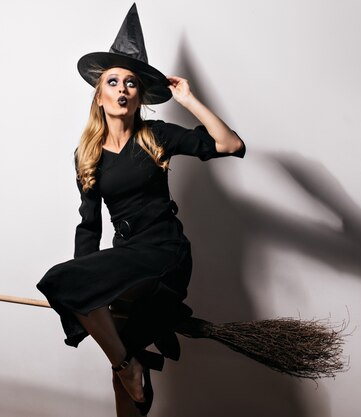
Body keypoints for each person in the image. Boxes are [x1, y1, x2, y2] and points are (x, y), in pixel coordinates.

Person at [36, 4, 244, 416]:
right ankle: (129, 367)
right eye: (113, 81)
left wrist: (188, 99)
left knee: (120, 354)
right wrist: (87, 290)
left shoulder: (157, 136)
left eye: (131, 83)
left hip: (166, 255)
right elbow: (89, 229)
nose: (122, 89)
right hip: (127, 259)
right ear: (99, 94)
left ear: (139, 96)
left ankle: (128, 365)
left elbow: (230, 145)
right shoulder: (87, 155)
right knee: (65, 286)